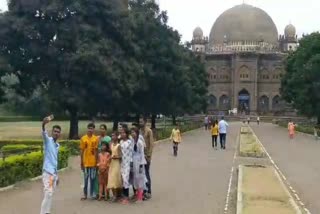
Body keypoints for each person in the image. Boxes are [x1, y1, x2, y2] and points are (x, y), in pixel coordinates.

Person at [40, 116, 61, 214]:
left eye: (58, 132)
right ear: (52, 132)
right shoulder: (48, 141)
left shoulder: (57, 145)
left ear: (59, 134)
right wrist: (44, 124)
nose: (56, 133)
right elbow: (44, 133)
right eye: (55, 131)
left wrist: (57, 175)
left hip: (53, 174)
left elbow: (55, 161)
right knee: (48, 192)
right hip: (47, 172)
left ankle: (47, 212)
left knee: (50, 193)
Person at [80, 123, 99, 200]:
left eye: (92, 128)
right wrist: (81, 162)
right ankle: (85, 194)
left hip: (93, 162)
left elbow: (96, 150)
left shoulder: (96, 139)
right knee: (85, 179)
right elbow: (81, 150)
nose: (90, 130)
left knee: (92, 179)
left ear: (94, 129)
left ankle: (92, 194)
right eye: (89, 128)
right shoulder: (83, 138)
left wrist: (97, 161)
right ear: (87, 129)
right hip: (86, 162)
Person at [139, 117, 153, 200]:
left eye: (141, 121)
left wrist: (149, 156)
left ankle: (149, 191)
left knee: (146, 173)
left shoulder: (149, 131)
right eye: (139, 122)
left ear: (145, 122)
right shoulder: (139, 131)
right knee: (141, 174)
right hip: (140, 156)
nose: (140, 123)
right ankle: (143, 191)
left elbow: (151, 144)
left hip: (146, 156)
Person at [131, 128, 147, 202]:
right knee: (135, 178)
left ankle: (140, 196)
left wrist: (141, 164)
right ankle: (137, 195)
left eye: (134, 132)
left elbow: (142, 153)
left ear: (137, 133)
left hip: (139, 161)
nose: (132, 134)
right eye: (131, 133)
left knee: (140, 178)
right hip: (134, 160)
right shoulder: (132, 141)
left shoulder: (140, 142)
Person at [120, 126, 133, 204]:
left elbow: (131, 153)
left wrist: (131, 163)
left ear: (127, 134)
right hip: (122, 163)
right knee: (122, 179)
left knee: (126, 179)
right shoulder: (121, 142)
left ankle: (126, 197)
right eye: (121, 133)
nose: (122, 134)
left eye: (124, 133)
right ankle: (123, 195)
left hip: (128, 163)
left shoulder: (129, 142)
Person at [108, 131, 122, 202]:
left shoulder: (118, 145)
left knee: (116, 179)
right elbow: (111, 153)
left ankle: (117, 195)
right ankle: (114, 195)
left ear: (117, 137)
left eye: (114, 136)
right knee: (111, 179)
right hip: (112, 163)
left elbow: (120, 156)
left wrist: (115, 157)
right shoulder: (111, 145)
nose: (112, 137)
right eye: (112, 136)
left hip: (116, 163)